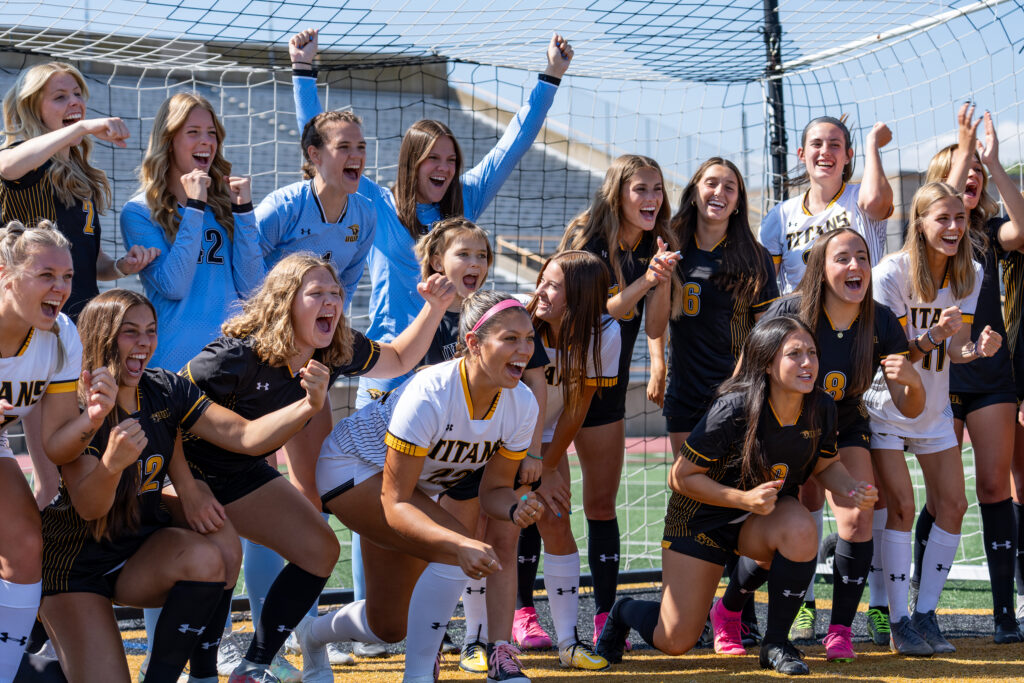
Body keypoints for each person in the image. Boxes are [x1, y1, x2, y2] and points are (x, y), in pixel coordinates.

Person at [180, 252, 453, 682]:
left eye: (336, 293)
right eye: (317, 293)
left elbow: (399, 358)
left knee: (321, 548)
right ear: (285, 301)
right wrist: (188, 488)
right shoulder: (232, 357)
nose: (331, 301)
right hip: (183, 477)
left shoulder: (331, 350)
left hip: (241, 476)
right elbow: (165, 414)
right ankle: (201, 674)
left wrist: (434, 307)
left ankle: (254, 665)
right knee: (223, 555)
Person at [38, 288, 333, 683]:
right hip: (76, 567)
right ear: (102, 336)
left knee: (213, 552)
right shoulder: (79, 404)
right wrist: (112, 464)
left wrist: (307, 406)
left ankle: (193, 675)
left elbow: (243, 436)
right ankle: (41, 649)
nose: (144, 343)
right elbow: (91, 508)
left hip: (136, 552)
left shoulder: (163, 387)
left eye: (150, 331)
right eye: (130, 332)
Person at [595, 315, 877, 676]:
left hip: (759, 517)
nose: (808, 362)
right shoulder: (733, 409)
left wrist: (852, 489)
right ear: (767, 363)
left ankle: (775, 643)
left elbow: (827, 465)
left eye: (812, 352)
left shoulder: (821, 406)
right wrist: (742, 500)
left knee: (800, 528)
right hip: (701, 519)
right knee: (676, 639)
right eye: (795, 354)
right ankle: (623, 611)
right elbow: (679, 477)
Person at [297, 291, 543, 683]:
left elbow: (493, 491)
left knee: (389, 624)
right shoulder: (432, 392)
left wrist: (514, 508)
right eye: (510, 338)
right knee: (455, 547)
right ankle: (419, 678)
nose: (525, 349)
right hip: (348, 468)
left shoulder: (523, 405)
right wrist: (458, 543)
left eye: (529, 338)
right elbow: (395, 504)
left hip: (408, 491)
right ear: (474, 344)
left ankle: (312, 635)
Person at [713, 228, 924, 662]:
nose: (855, 267)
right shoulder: (791, 311)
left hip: (843, 428)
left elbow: (910, 406)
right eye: (843, 258)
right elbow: (745, 373)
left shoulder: (880, 319)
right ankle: (729, 609)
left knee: (859, 518)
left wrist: (912, 382)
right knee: (782, 529)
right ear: (820, 269)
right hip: (784, 427)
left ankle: (841, 631)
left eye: (862, 257)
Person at [514, 154, 680, 649]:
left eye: (657, 189)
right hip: (554, 375)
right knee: (535, 499)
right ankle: (522, 609)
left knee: (601, 504)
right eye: (641, 189)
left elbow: (649, 322)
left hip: (601, 380)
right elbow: (602, 308)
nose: (651, 199)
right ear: (618, 193)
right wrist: (648, 279)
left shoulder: (658, 243)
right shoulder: (588, 238)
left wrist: (657, 352)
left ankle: (608, 614)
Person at [0, 61, 158, 514]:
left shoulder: (79, 174)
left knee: (84, 454)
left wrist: (122, 265)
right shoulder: (28, 161)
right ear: (33, 108)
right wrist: (83, 126)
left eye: (77, 95)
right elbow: (6, 164)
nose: (74, 103)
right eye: (60, 97)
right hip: (39, 327)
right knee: (55, 471)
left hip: (82, 324)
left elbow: (89, 262)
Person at [758, 115, 893, 640]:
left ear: (848, 154)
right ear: (800, 154)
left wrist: (877, 149)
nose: (825, 152)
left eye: (836, 145)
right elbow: (770, 286)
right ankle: (807, 602)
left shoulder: (861, 196)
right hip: (808, 366)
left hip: (864, 361)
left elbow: (881, 208)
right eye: (816, 144)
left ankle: (878, 604)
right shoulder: (781, 216)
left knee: (872, 497)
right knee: (808, 495)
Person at [865, 181, 1000, 656]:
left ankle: (925, 614)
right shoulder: (890, 274)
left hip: (934, 409)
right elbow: (894, 352)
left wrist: (974, 349)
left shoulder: (971, 274)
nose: (954, 227)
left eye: (959, 219)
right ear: (919, 223)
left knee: (954, 505)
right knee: (899, 507)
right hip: (888, 405)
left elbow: (954, 350)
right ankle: (898, 621)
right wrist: (936, 336)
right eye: (942, 218)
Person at [0, 220, 122, 683]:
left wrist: (91, 418)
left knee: (27, 544)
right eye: (46, 275)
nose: (61, 287)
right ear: (6, 276)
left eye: (67, 276)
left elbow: (53, 442)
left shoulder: (61, 335)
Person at [922, 105, 1024, 643]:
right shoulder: (932, 239)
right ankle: (919, 609)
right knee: (942, 498)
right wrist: (966, 156)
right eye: (965, 175)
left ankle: (1005, 614)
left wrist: (994, 162)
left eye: (976, 180)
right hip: (941, 374)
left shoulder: (989, 232)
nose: (972, 183)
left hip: (990, 379)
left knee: (992, 487)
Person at [120, 92, 265, 375]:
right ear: (169, 141)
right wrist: (195, 207)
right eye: (193, 132)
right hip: (175, 366)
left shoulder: (224, 207)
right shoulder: (138, 212)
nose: (206, 141)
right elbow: (174, 286)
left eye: (212, 133)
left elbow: (253, 290)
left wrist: (245, 213)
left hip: (232, 362)